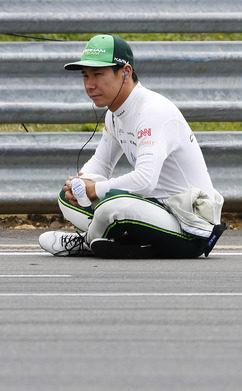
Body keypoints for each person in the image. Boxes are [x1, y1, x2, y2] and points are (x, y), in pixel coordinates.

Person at [39, 34, 225, 258]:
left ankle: (86, 242)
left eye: (98, 74)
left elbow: (145, 181)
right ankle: (124, 241)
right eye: (85, 76)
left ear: (125, 72)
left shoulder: (152, 111)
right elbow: (101, 163)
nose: (90, 84)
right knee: (66, 197)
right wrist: (80, 183)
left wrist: (95, 189)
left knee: (112, 204)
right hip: (153, 211)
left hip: (190, 226)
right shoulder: (114, 114)